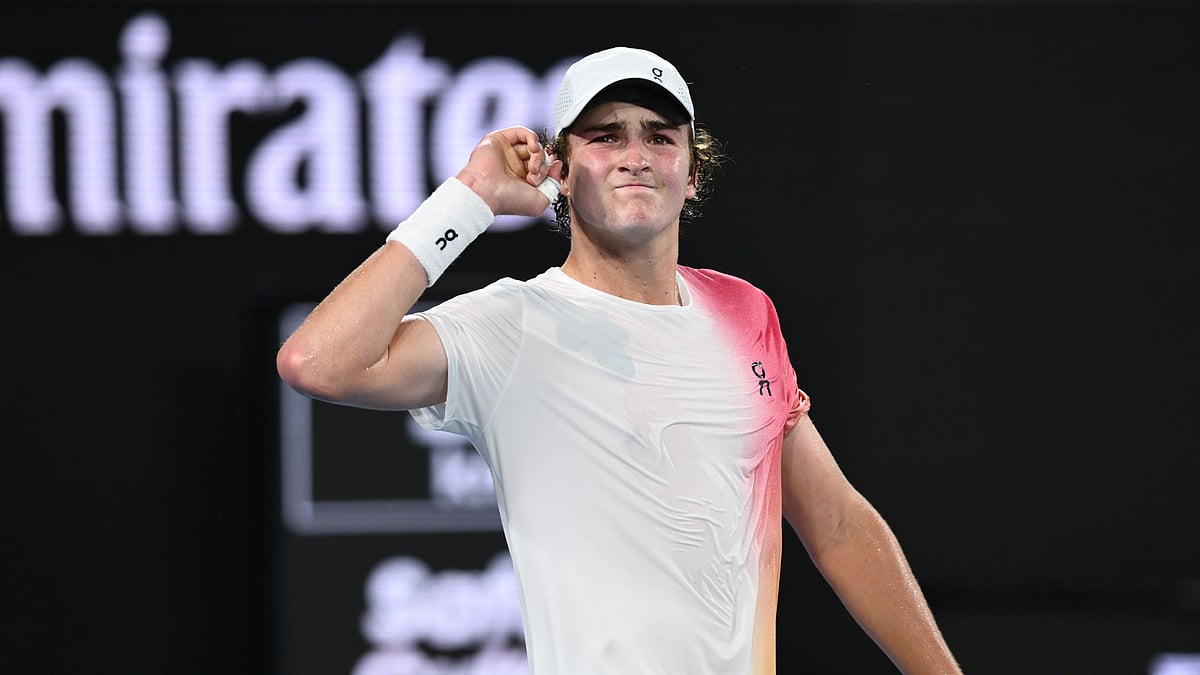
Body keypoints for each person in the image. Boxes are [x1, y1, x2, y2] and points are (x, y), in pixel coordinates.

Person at [278, 47, 961, 674]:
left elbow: (839, 524)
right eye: (606, 136)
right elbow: (317, 361)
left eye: (659, 136)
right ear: (560, 170)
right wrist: (470, 198)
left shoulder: (746, 312)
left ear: (692, 174)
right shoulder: (512, 324)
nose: (635, 154)